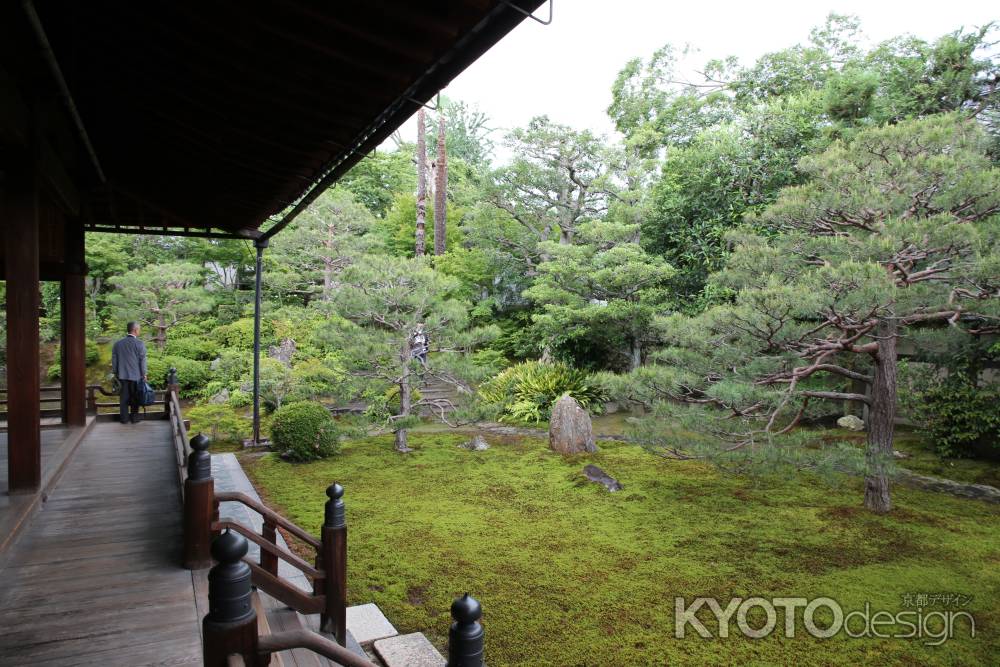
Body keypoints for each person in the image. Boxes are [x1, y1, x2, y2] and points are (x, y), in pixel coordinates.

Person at [111, 321, 148, 424]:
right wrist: (144, 374)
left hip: (122, 376)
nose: (139, 331)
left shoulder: (118, 344)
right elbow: (143, 360)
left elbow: (114, 361)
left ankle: (124, 419)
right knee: (135, 398)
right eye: (139, 329)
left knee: (123, 399)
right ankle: (134, 418)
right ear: (135, 330)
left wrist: (116, 373)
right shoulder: (139, 344)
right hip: (136, 377)